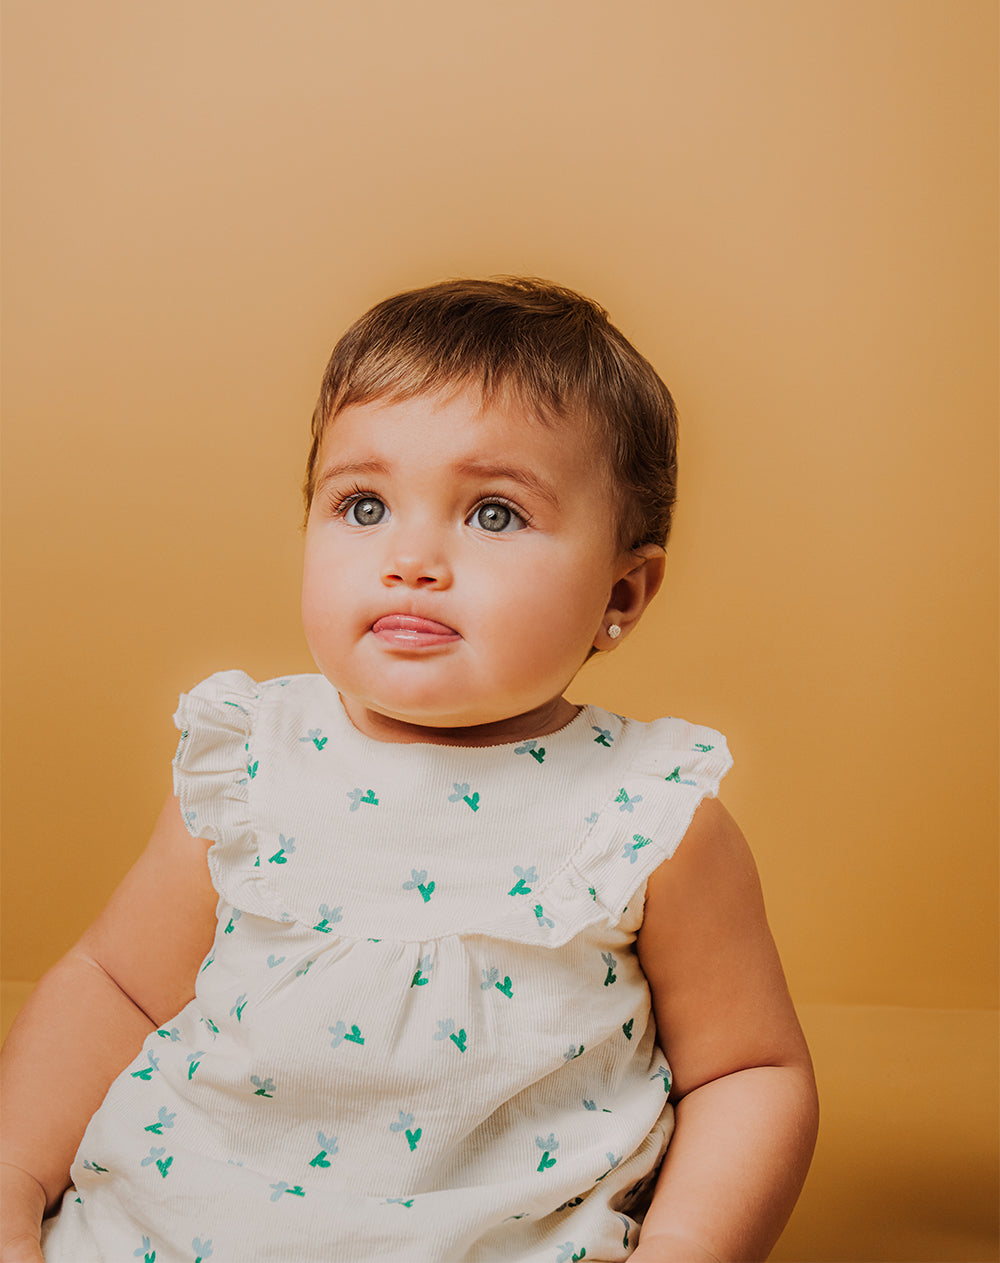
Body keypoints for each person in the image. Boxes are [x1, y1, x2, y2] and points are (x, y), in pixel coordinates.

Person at [0, 278, 818, 1263]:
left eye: (495, 515)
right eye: (362, 503)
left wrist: (682, 1247)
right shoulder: (252, 768)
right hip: (167, 1234)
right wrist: (15, 1180)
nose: (411, 557)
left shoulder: (641, 818)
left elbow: (747, 1074)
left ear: (622, 589)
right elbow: (113, 988)